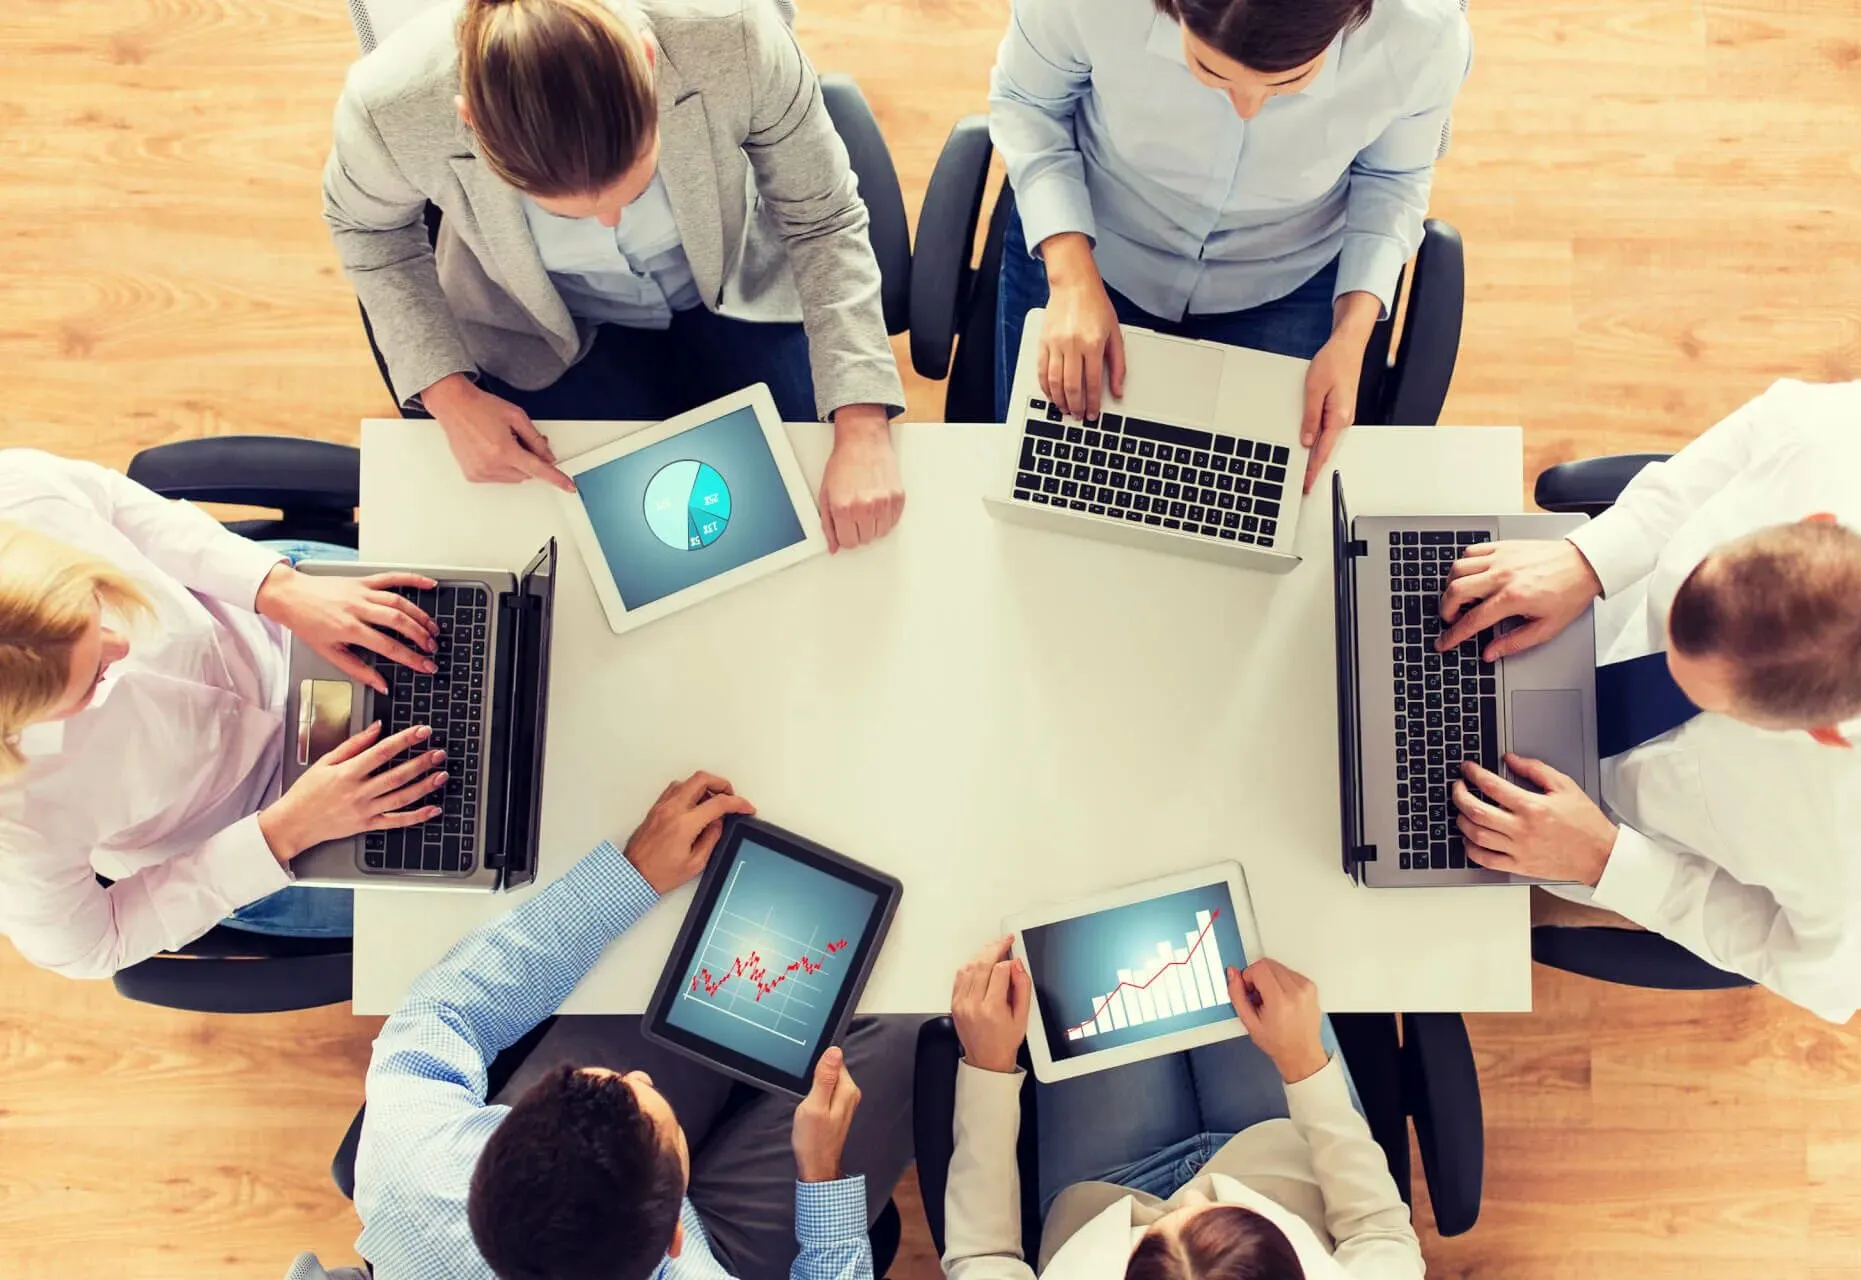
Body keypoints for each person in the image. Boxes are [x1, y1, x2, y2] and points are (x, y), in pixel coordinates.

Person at [324, 0, 907, 553]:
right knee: (582, 548)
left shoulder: (731, 29)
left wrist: (862, 419)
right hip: (537, 328)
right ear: (470, 121)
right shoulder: (390, 105)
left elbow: (823, 218)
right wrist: (449, 396)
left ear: (648, 62)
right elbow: (367, 229)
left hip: (734, 284)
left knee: (802, 506)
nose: (610, 219)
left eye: (633, 179)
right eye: (564, 207)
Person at [1433, 378, 1861, 1021]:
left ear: (1824, 731)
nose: (1668, 660)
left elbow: (1822, 973)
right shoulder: (1857, 446)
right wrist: (1592, 559)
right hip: (1575, 622)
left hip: (1594, 830)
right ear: (1815, 522)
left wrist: (1604, 861)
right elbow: (1767, 425)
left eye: (1703, 693)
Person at [351, 770, 917, 1280]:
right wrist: (822, 1175)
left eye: (606, 1082)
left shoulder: (415, 1166)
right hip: (724, 1258)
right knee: (906, 1033)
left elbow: (442, 1009)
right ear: (675, 1240)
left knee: (692, 974)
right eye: (653, 1108)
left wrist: (633, 875)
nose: (641, 1078)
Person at [988, 0, 1471, 492]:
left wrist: (1350, 339)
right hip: (1096, 241)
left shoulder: (1422, 33)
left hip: (1287, 273)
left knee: (1250, 502)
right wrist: (1070, 279)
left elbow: (1392, 178)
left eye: (1288, 81)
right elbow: (1029, 105)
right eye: (1210, 71)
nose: (1247, 107)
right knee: (1046, 483)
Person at [0, 450, 450, 976]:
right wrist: (285, 832)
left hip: (278, 616)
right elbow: (95, 946)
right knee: (498, 889)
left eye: (97, 609)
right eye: (93, 676)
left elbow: (114, 503)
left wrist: (279, 588)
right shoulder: (11, 829)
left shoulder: (16, 496)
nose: (122, 646)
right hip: (267, 826)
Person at [940, 939, 1420, 1278]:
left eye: (1149, 1235)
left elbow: (982, 1258)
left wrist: (988, 1065)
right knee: (1247, 931)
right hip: (1275, 1149)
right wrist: (1302, 1060)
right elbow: (1378, 1230)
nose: (1194, 1194)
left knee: (1088, 942)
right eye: (1217, 1210)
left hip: (1108, 1187)